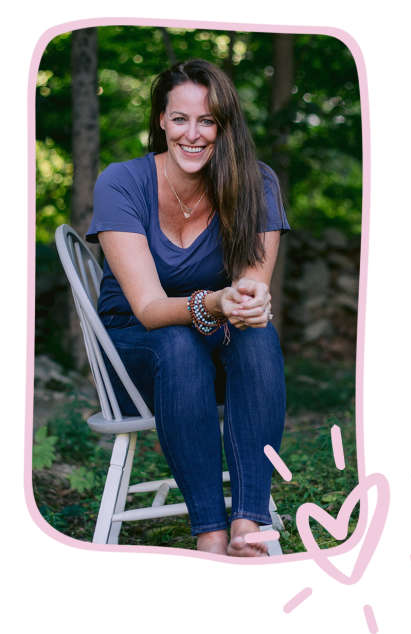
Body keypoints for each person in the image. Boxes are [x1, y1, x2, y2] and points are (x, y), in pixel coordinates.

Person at [86, 59, 290, 557]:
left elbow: (251, 294)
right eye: (180, 119)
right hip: (134, 359)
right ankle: (209, 532)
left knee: (257, 332)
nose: (192, 134)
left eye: (207, 121)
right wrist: (215, 301)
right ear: (162, 120)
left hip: (216, 355)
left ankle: (247, 521)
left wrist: (249, 300)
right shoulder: (122, 182)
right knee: (176, 342)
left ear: (225, 125)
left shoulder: (256, 184)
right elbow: (149, 308)